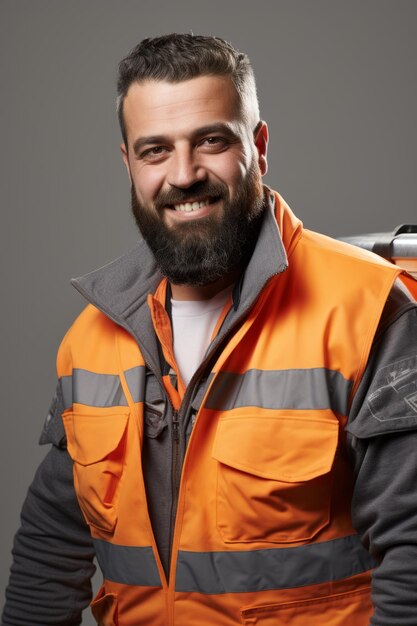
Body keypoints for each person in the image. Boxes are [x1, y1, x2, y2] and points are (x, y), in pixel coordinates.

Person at [2, 33, 417, 626]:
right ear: (128, 163)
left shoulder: (370, 310)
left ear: (259, 146)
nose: (184, 174)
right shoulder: (90, 340)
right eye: (154, 151)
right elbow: (49, 552)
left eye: (211, 141)